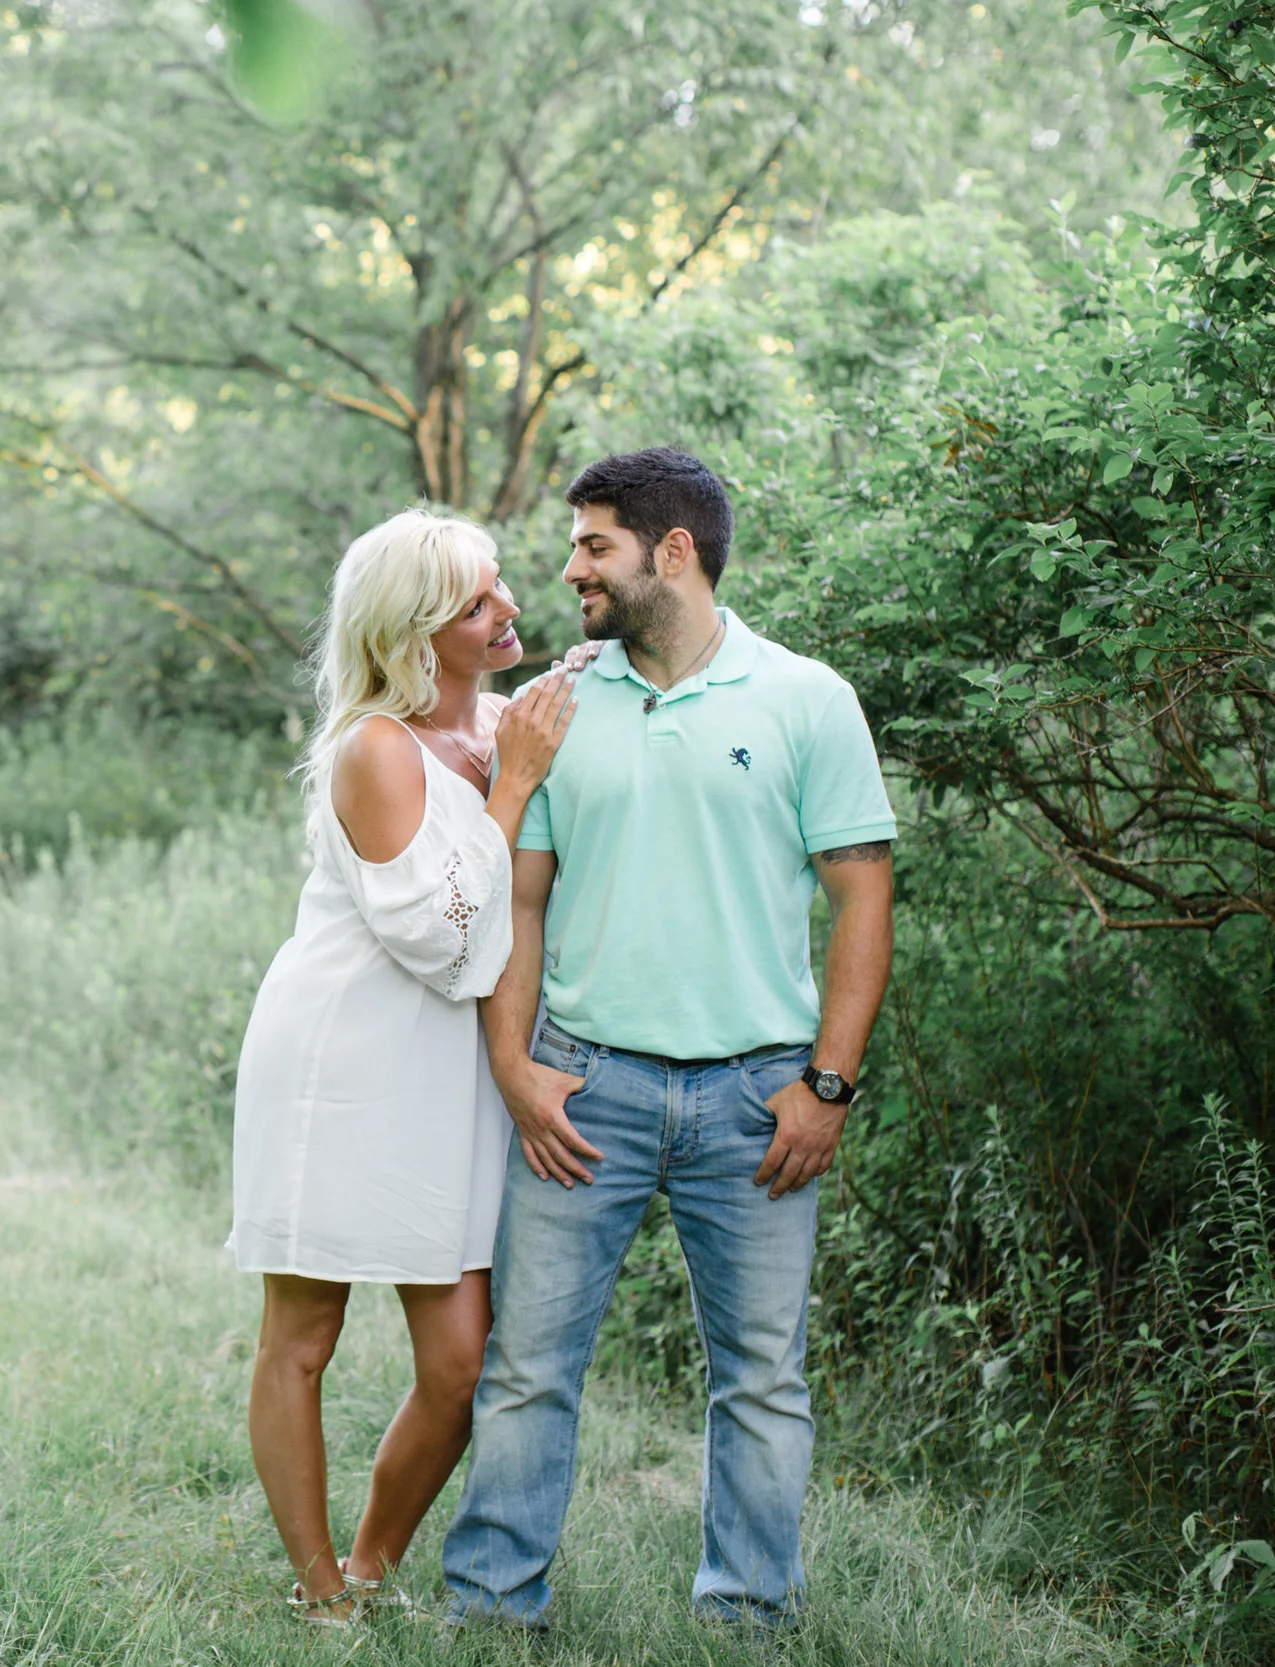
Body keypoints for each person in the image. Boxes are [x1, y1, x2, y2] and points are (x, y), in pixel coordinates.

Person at [441, 448, 897, 1629]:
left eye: (593, 544)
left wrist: (827, 1084)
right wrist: (513, 1064)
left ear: (673, 551)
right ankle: (492, 1612)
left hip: (758, 1099)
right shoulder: (551, 706)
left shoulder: (805, 697)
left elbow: (862, 897)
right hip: (583, 1089)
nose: (569, 567)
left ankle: (747, 1618)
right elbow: (518, 899)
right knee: (529, 1364)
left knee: (761, 1379)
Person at [227, 507, 588, 1625]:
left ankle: (374, 1557)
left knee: (460, 1361)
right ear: (418, 630)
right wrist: (513, 787)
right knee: (305, 1334)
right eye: (480, 601)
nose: (510, 608)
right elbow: (437, 936)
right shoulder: (374, 747)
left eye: (500, 590)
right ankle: (320, 1588)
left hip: (450, 1073)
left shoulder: (502, 724)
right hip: (343, 1054)